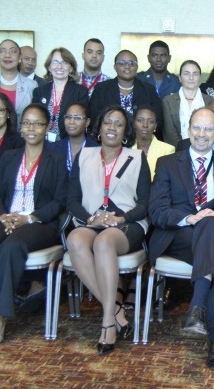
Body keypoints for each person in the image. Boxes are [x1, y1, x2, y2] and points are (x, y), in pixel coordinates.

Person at [149, 107, 214, 371]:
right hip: (177, 236)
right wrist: (190, 219)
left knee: (212, 225)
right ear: (188, 130)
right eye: (197, 128)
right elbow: (156, 211)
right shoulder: (167, 164)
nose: (202, 134)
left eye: (208, 129)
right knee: (209, 244)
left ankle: (198, 308)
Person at [0, 103, 67, 346]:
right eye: (26, 123)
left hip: (39, 223)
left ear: (47, 128)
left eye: (37, 123)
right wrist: (3, 215)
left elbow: (60, 200)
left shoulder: (56, 159)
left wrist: (30, 217)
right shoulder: (10, 156)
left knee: (12, 246)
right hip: (9, 217)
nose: (31, 128)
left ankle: (0, 317)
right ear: (21, 127)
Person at [65, 105, 151, 355]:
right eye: (107, 122)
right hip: (92, 220)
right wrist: (90, 217)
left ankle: (108, 323)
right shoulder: (84, 155)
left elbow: (145, 203)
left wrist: (121, 217)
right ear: (99, 128)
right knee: (75, 239)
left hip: (127, 224)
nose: (112, 127)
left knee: (103, 242)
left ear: (125, 132)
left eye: (119, 124)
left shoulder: (136, 158)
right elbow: (71, 200)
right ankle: (114, 310)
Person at [30, 47, 90, 143]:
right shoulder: (39, 91)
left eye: (64, 63)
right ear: (49, 67)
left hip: (68, 144)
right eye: (55, 62)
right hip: (41, 144)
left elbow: (81, 123)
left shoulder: (81, 92)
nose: (59, 66)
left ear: (71, 68)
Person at [88, 50, 163, 125]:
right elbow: (94, 119)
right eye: (121, 63)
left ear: (137, 67)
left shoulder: (149, 90)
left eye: (132, 63)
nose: (127, 66)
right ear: (115, 67)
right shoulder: (101, 89)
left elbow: (158, 120)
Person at [162, 60, 214, 146]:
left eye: (195, 74)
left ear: (200, 77)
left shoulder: (210, 101)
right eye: (186, 73)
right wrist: (182, 150)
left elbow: (212, 129)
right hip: (177, 151)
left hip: (204, 149)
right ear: (179, 77)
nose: (191, 78)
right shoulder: (168, 101)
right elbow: (169, 132)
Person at [48, 102, 98, 175]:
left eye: (77, 118)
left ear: (87, 122)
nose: (71, 122)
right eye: (68, 117)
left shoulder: (96, 151)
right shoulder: (53, 149)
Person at [0, 39, 35, 115]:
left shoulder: (31, 85)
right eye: (3, 51)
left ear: (19, 57)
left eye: (12, 51)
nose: (7, 55)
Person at [131, 104, 174, 180]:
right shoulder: (126, 148)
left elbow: (165, 180)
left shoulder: (168, 150)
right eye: (140, 120)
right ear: (134, 123)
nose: (145, 125)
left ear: (155, 126)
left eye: (150, 121)